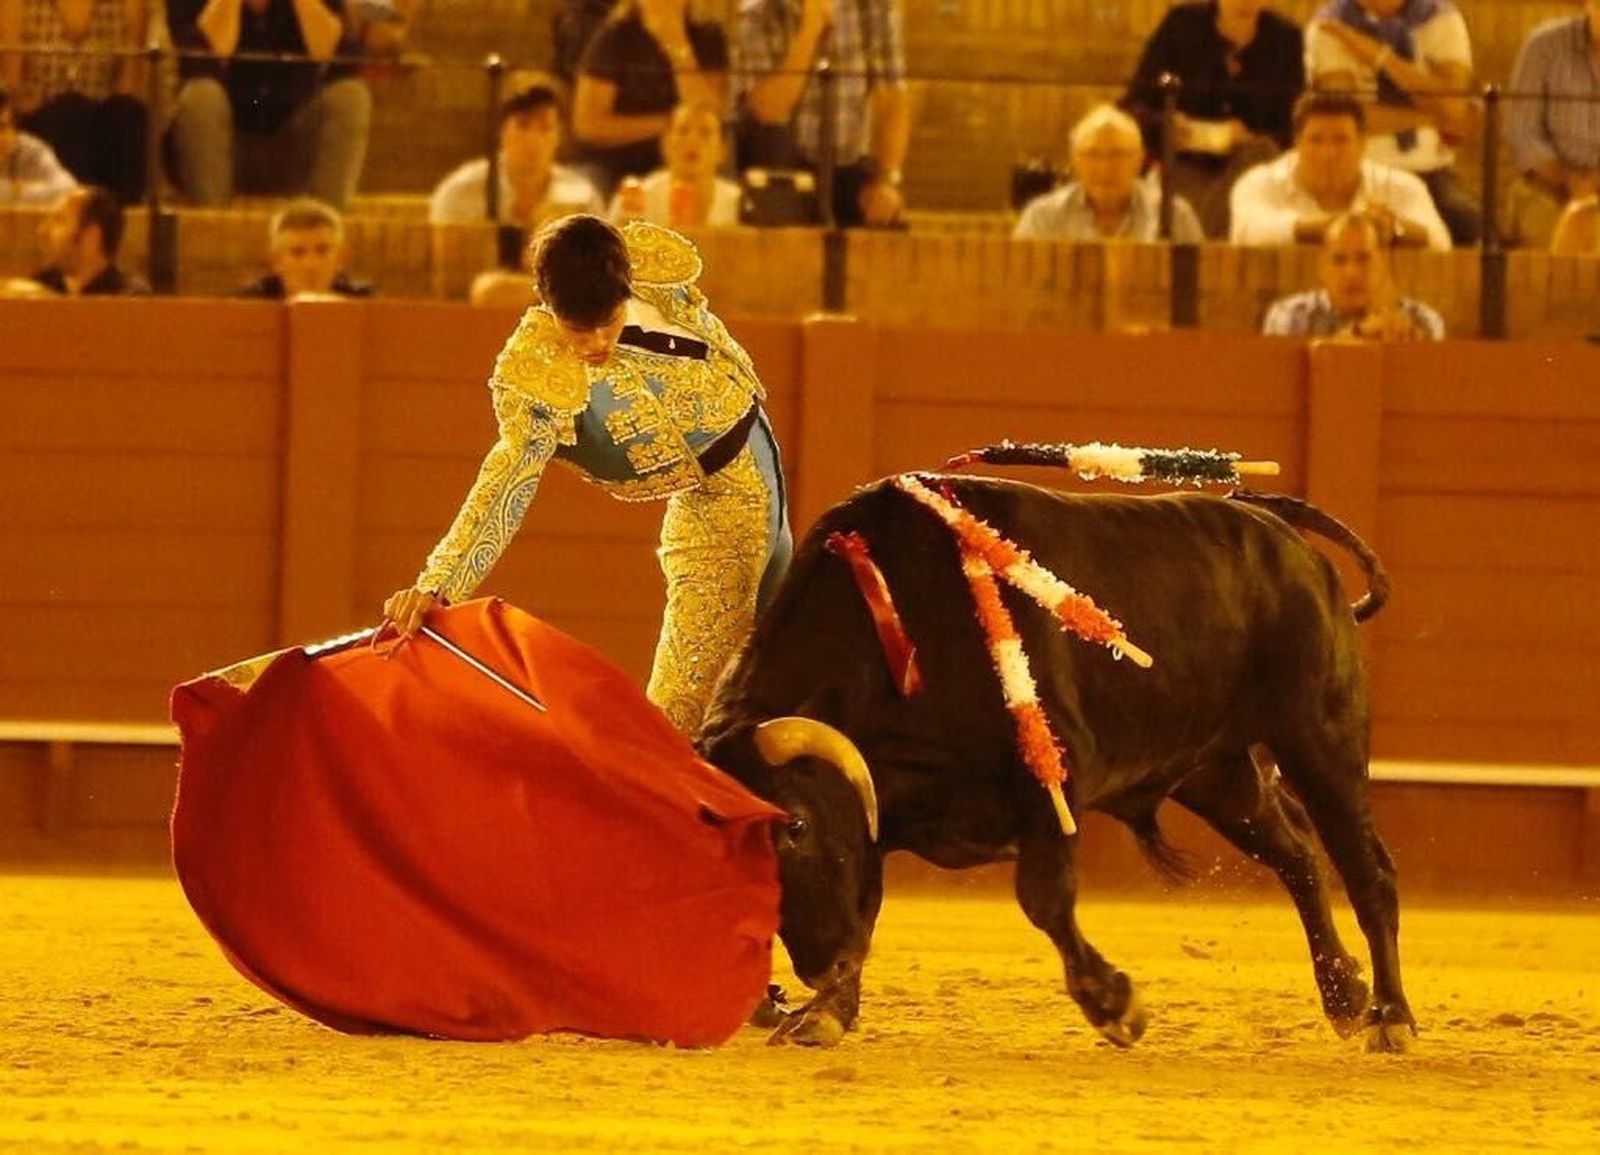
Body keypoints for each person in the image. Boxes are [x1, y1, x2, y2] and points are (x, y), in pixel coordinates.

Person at [382, 215, 791, 736]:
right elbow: (507, 481)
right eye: (578, 327)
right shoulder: (533, 374)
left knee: (774, 665)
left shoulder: (649, 268)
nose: (596, 342)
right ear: (547, 305)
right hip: (718, 510)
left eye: (608, 319)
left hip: (760, 460)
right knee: (683, 710)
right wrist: (437, 586)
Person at [1121, 0, 1305, 238]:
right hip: (1185, 161)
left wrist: (1247, 138)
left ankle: (1205, 241)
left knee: (1259, 155)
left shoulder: (1285, 38)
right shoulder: (1181, 25)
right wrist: (1168, 126)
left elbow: (1291, 126)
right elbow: (1134, 105)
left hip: (1252, 167)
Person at [165, 0, 372, 210]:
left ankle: (321, 227)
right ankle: (213, 227)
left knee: (350, 95)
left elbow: (335, 58)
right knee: (201, 94)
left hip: (293, 144)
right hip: (220, 148)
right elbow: (204, 58)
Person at [1305, 0, 1479, 245]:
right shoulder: (1332, 23)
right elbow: (1344, 117)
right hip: (1361, 169)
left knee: (1471, 228)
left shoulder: (1439, 17)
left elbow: (1453, 106)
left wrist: (1380, 56)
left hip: (1431, 169)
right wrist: (1431, 116)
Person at [732, 0, 910, 227]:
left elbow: (892, 100)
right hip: (781, 173)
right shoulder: (758, 11)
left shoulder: (874, 7)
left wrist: (886, 181)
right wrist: (809, 31)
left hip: (850, 169)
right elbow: (768, 109)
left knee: (883, 223)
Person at [1230, 90, 1450, 250]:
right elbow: (1249, 234)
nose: (1328, 154)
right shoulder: (1257, 183)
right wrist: (1354, 226)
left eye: (1341, 140)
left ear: (1363, 143)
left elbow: (1440, 244)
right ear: (1297, 142)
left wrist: (1395, 228)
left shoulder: (1401, 186)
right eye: (1316, 140)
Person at [571, 0, 728, 197]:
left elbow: (710, 113)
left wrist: (676, 42)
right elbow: (588, 125)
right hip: (613, 163)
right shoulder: (615, 36)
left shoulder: (707, 35)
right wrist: (671, 124)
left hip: (685, 161)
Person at [0, 0, 149, 204]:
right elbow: (13, 90)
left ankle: (122, 221)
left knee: (126, 114)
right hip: (43, 120)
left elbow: (128, 86)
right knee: (71, 112)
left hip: (102, 125)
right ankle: (72, 219)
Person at [429, 72, 602, 231]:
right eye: (523, 125)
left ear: (559, 135)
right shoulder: (463, 192)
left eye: (545, 127)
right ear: (502, 131)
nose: (533, 139)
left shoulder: (583, 197)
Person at [1013, 104, 1204, 242]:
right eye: (1092, 154)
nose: (1105, 167)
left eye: (1118, 154)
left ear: (1139, 159)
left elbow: (1199, 283)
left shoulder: (1175, 215)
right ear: (1074, 159)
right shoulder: (1043, 216)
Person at [1503, 1, 1600, 249]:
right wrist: (1571, 180)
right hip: (1549, 188)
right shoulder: (1544, 46)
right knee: (1568, 252)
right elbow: (1521, 133)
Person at [1261, 209, 1443, 339]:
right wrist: (1360, 335)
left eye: (1364, 259)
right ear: (1322, 268)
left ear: (1384, 263)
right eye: (1339, 260)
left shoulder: (1421, 319)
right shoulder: (1289, 315)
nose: (1352, 273)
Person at [609, 101, 741, 227]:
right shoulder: (635, 197)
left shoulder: (739, 203)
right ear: (665, 145)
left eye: (705, 133)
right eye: (683, 131)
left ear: (722, 151)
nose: (692, 140)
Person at [1, 183, 148, 295]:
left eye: (59, 220)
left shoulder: (129, 299)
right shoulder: (38, 287)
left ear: (91, 236)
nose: (43, 231)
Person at [235, 197, 373, 298]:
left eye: (323, 251)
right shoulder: (249, 303)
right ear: (276, 261)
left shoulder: (364, 302)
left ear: (341, 257)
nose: (311, 265)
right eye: (297, 253)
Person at [0, 83, 76, 203]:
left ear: (14, 127)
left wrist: (20, 192)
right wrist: (12, 190)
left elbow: (68, 189)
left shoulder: (31, 150)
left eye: (2, 128)